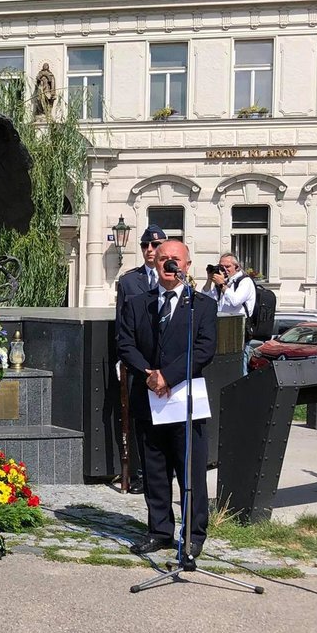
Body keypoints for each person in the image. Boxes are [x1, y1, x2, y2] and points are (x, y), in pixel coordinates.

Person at [116, 240, 217, 558]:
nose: (168, 264)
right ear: (154, 264)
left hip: (184, 399)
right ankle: (159, 530)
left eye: (175, 259)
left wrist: (168, 377)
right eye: (162, 259)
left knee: (190, 470)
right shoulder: (137, 303)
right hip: (148, 397)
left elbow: (203, 349)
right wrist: (149, 374)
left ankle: (193, 534)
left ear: (187, 266)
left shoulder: (201, 305)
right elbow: (125, 343)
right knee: (155, 470)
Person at [114, 224, 166, 495]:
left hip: (167, 364)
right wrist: (124, 359)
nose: (149, 250)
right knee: (138, 418)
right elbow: (121, 325)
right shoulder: (129, 281)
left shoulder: (172, 279)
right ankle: (139, 473)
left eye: (155, 245)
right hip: (138, 362)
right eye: (146, 245)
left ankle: (162, 472)